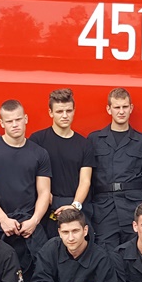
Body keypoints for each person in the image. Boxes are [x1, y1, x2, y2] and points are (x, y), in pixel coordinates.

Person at [0, 99, 52, 279]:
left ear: (26, 119)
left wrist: (34, 221)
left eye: (18, 119)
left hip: (29, 227)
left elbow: (44, 192)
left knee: (37, 275)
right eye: (9, 121)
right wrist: (3, 219)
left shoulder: (40, 153)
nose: (15, 124)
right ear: (2, 123)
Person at [88, 88, 142, 249]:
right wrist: (90, 211)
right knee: (106, 255)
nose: (121, 111)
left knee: (133, 254)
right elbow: (87, 180)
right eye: (117, 107)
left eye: (125, 107)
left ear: (131, 108)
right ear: (109, 109)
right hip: (104, 210)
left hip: (134, 208)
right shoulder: (94, 140)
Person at [29, 88, 95, 239]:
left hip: (76, 207)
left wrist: (74, 206)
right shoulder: (37, 140)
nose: (65, 115)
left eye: (68, 111)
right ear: (50, 112)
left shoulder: (85, 144)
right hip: (45, 209)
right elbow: (29, 175)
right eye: (59, 111)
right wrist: (47, 198)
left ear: (74, 111)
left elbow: (85, 180)